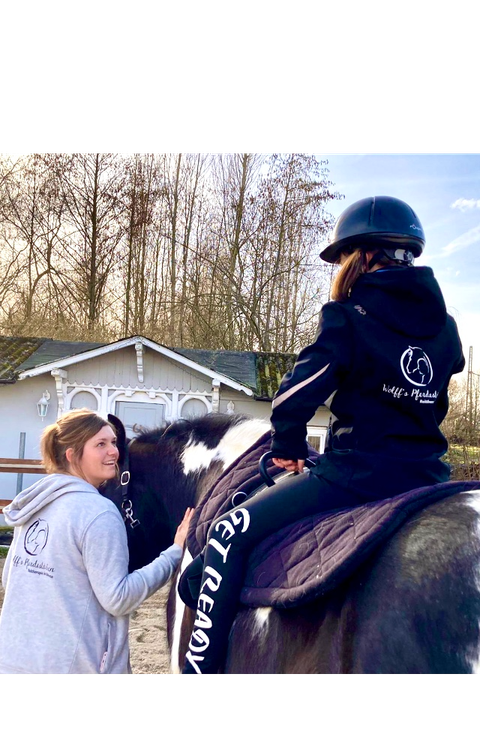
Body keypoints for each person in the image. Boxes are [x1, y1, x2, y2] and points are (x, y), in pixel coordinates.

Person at [179, 195, 466, 675]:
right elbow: (439, 389)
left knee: (229, 533)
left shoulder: (349, 317)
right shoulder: (448, 329)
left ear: (363, 256)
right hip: (429, 476)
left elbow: (293, 399)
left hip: (357, 474)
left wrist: (289, 447)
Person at [0, 409, 194, 676]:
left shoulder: (33, 506)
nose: (113, 452)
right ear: (72, 455)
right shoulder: (98, 513)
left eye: (113, 442)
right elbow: (119, 599)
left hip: (14, 661)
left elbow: (9, 580)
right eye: (100, 445)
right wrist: (173, 554)